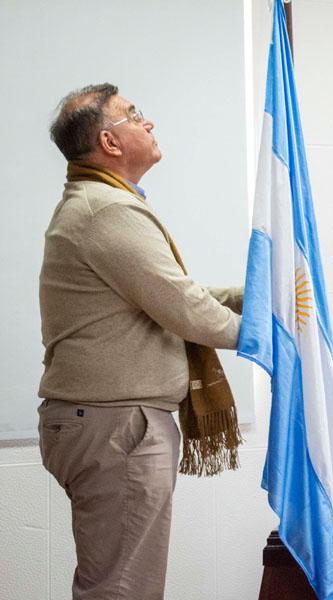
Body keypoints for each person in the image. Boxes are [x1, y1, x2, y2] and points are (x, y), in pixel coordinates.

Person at [38, 83, 243, 599]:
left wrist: (257, 296)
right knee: (122, 589)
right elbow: (188, 311)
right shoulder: (106, 210)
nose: (148, 123)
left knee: (120, 582)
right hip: (116, 426)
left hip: (106, 422)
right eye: (135, 115)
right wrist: (278, 337)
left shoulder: (98, 203)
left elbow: (175, 293)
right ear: (109, 142)